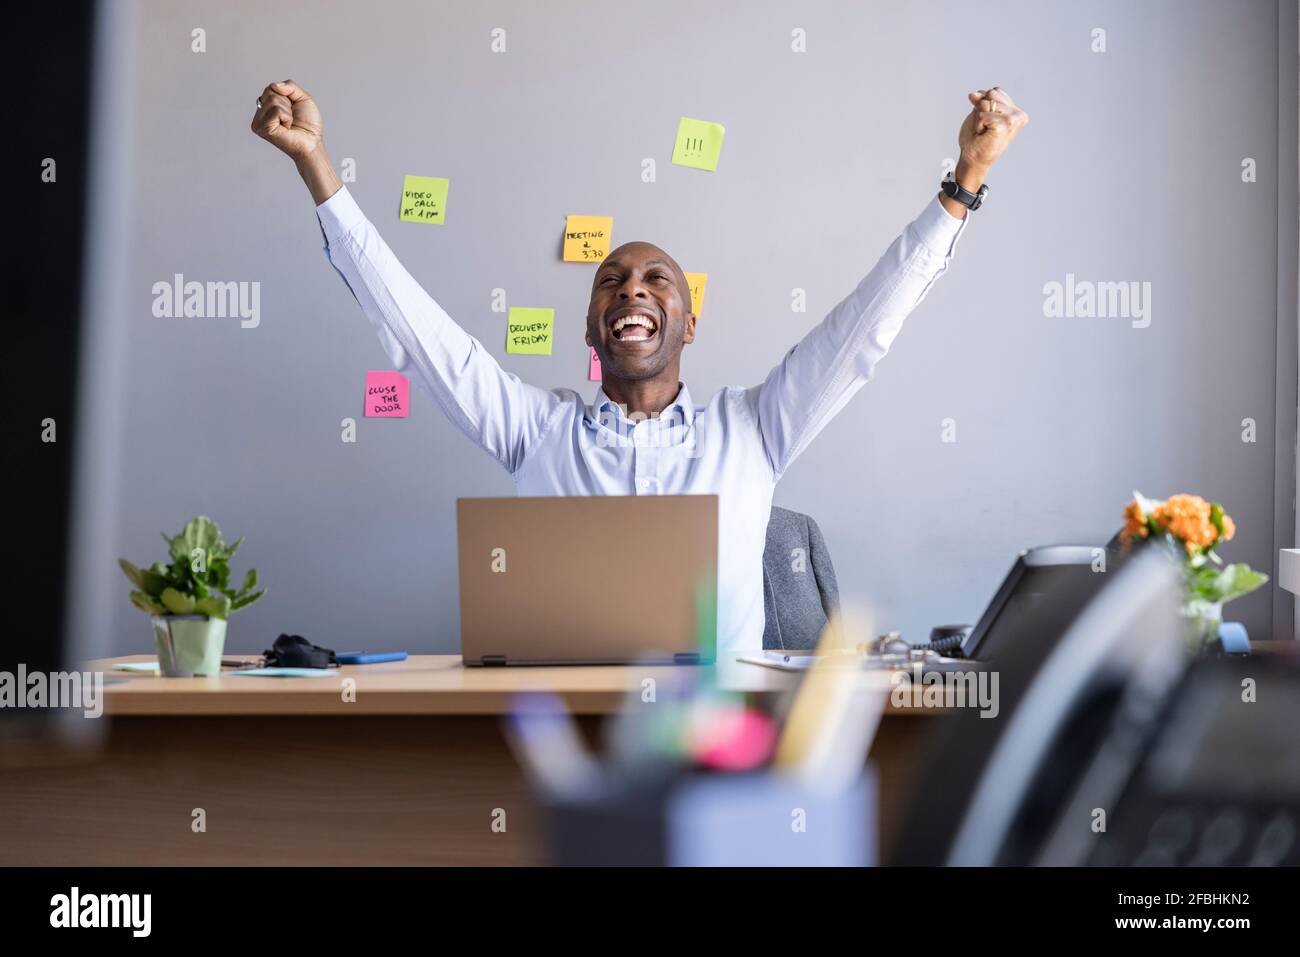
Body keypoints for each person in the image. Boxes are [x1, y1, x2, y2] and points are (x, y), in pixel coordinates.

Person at [250, 79, 1028, 651]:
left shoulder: (756, 425)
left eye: (658, 279)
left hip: (727, 738)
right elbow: (414, 328)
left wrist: (964, 185)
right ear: (592, 329)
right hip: (570, 727)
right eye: (611, 280)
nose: (633, 288)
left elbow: (865, 329)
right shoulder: (536, 427)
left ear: (688, 323)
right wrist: (316, 165)